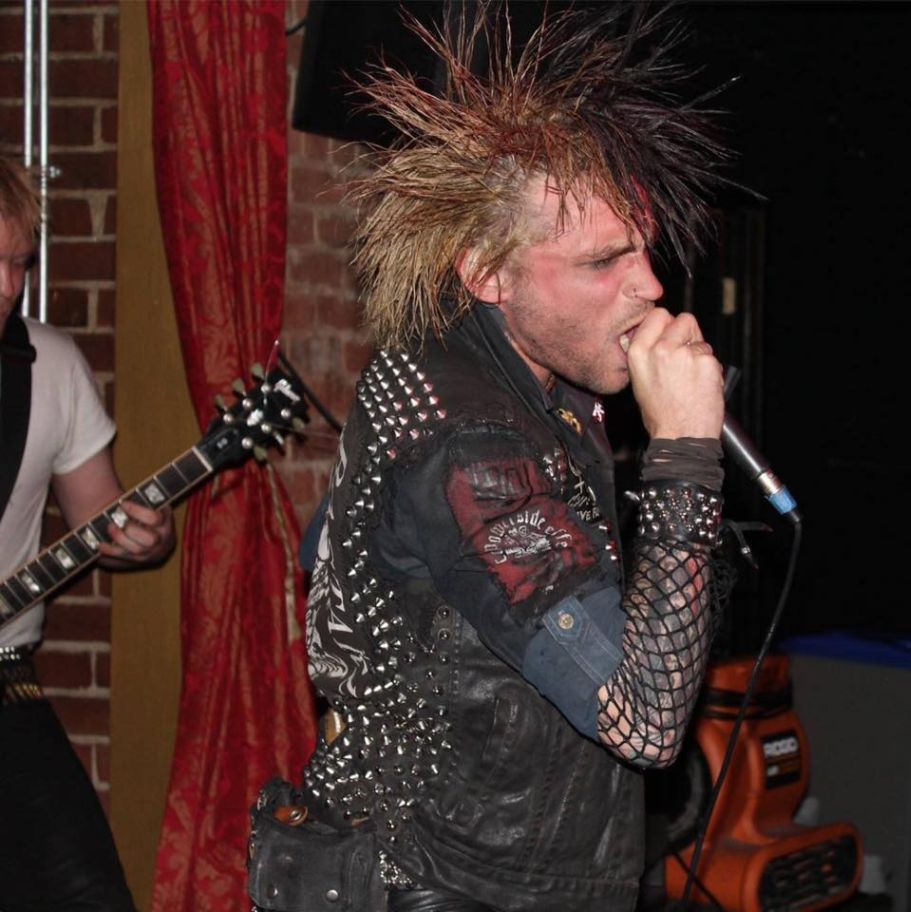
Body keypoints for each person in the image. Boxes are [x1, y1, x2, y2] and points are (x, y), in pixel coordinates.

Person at [248, 5, 733, 911]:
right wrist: (684, 453)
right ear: (487, 270)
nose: (649, 285)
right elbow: (646, 718)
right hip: (445, 886)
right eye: (602, 261)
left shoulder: (508, 382)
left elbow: (338, 554)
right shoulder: (468, 443)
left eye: (644, 249)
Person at [0, 156, 175, 912]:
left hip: (5, 680)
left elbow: (99, 517)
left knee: (89, 893)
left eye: (19, 262)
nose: (8, 285)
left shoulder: (49, 368)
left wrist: (147, 539)